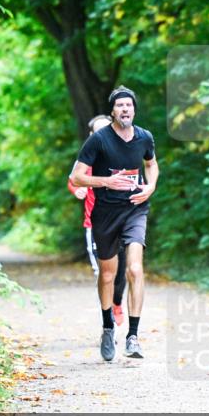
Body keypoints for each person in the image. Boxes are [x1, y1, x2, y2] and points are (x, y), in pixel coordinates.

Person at [70, 86, 158, 362]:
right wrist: (105, 181)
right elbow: (76, 177)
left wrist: (150, 186)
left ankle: (133, 336)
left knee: (134, 268)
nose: (125, 110)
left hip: (135, 209)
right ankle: (108, 327)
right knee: (108, 275)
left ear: (134, 109)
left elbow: (151, 164)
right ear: (112, 111)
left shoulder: (145, 137)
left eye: (129, 106)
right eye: (120, 106)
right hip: (105, 213)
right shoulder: (98, 140)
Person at [68, 115, 127, 325]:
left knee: (121, 271)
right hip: (94, 223)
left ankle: (117, 302)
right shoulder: (85, 159)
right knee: (103, 272)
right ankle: (108, 315)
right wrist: (77, 191)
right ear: (92, 135)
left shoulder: (123, 154)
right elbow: (72, 181)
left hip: (120, 220)